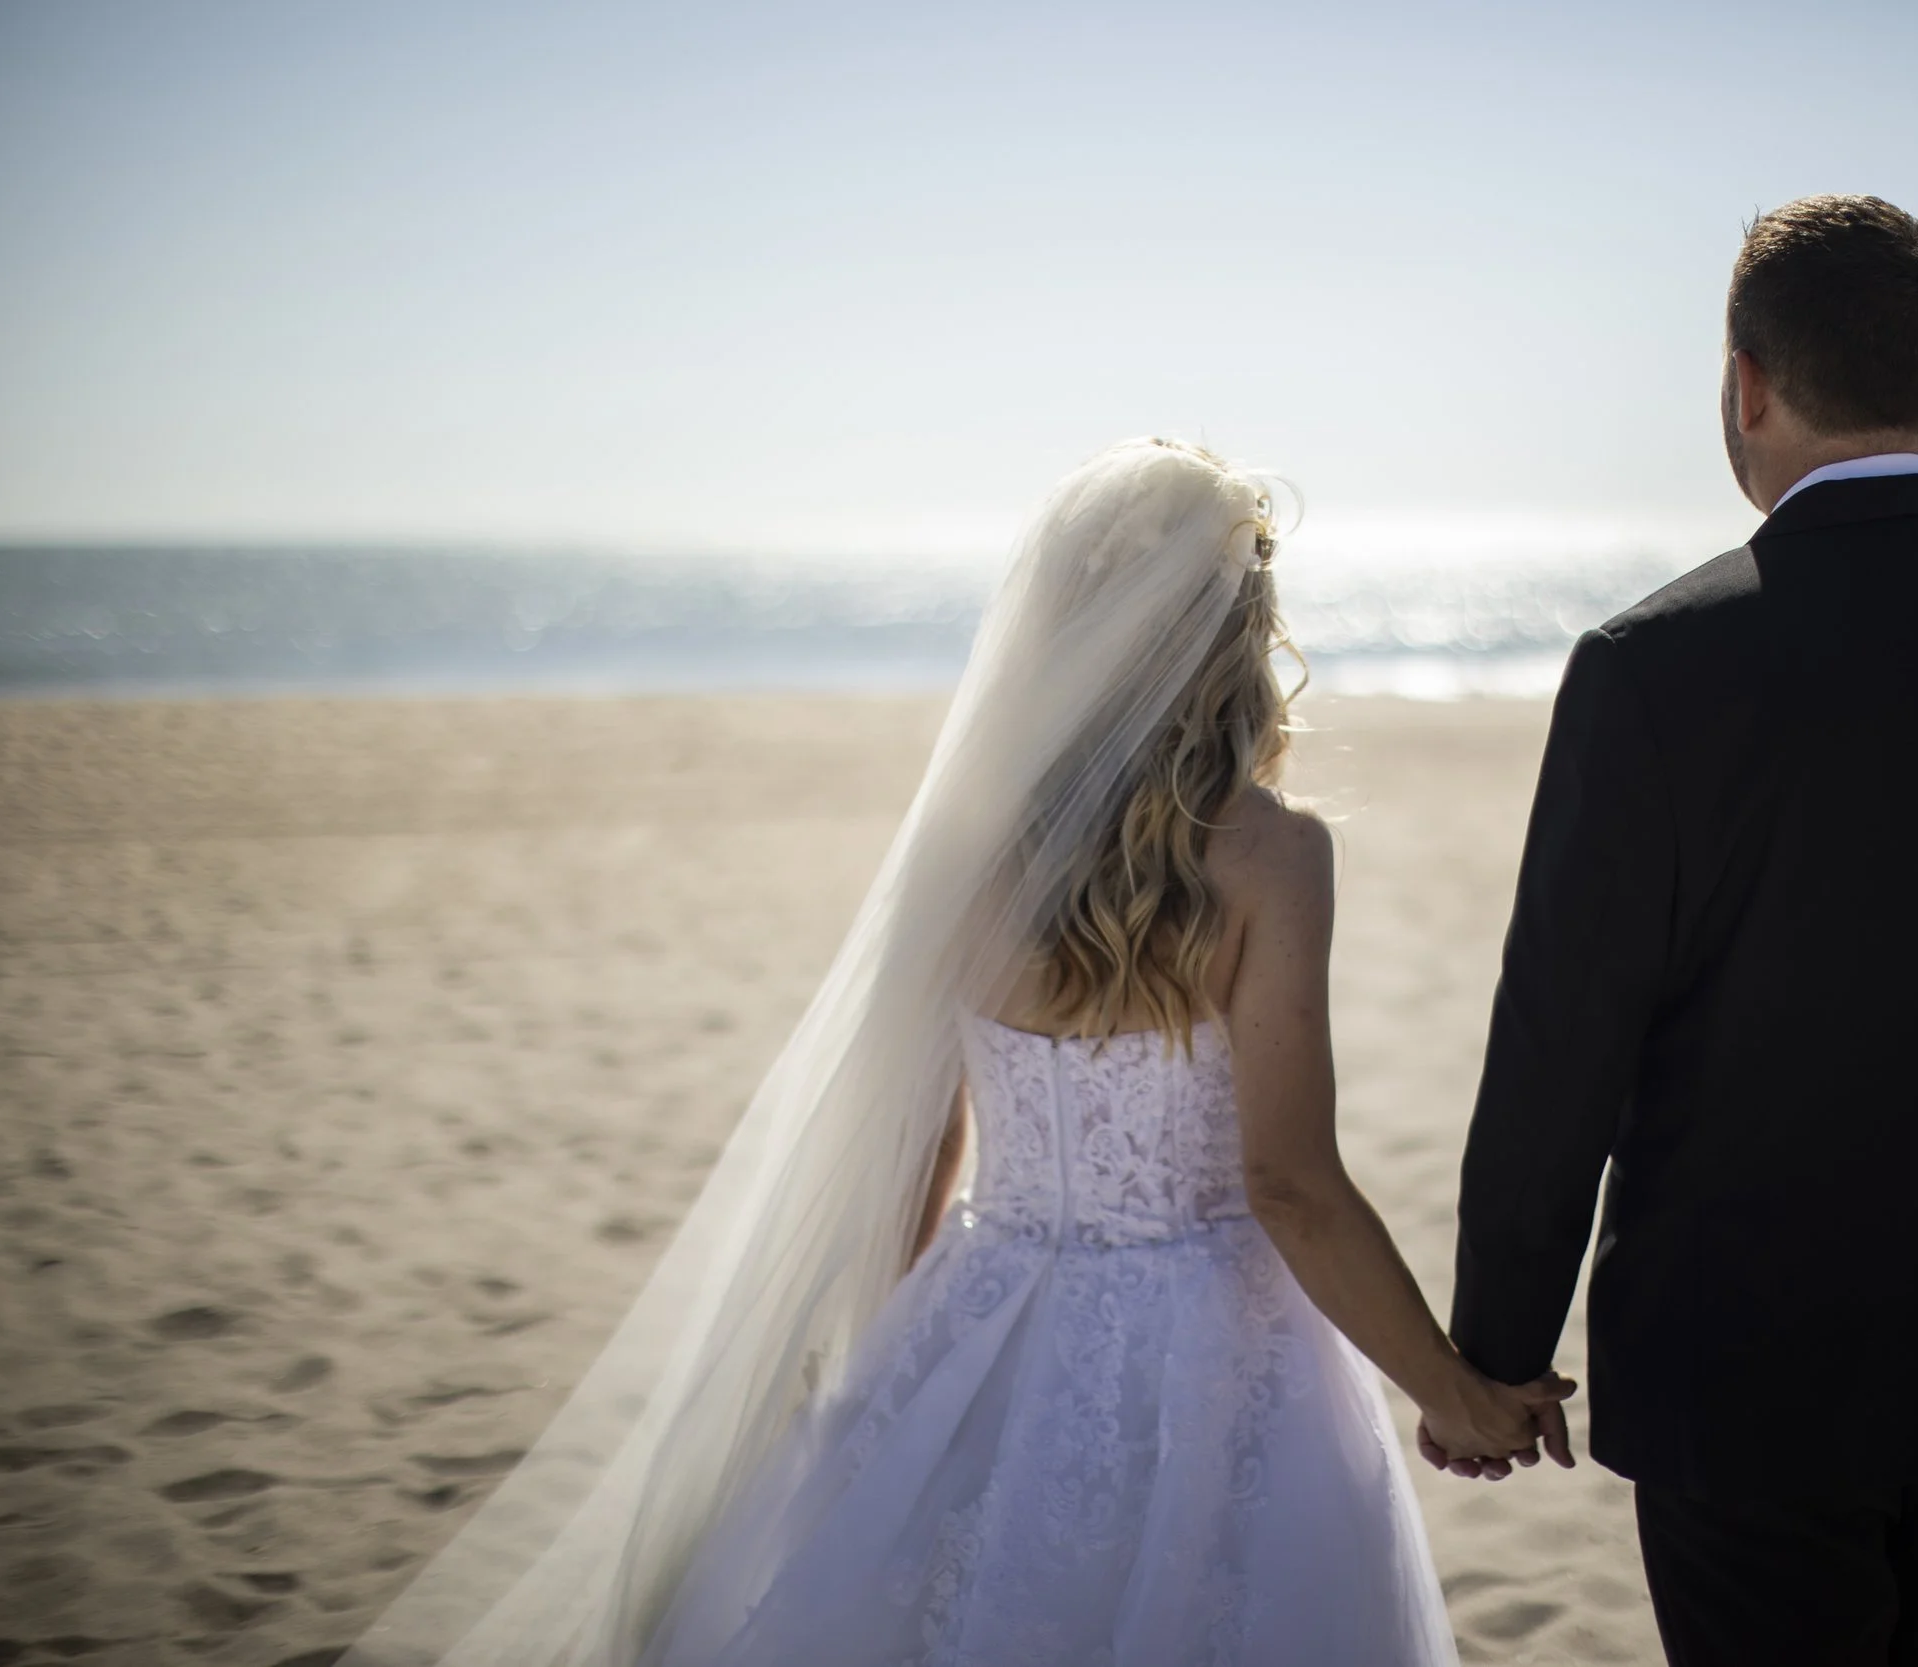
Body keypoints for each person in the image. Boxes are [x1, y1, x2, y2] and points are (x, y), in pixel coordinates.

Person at [344, 438, 1564, 1667]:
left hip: (982, 1309)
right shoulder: (1269, 854)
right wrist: (1448, 1388)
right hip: (1213, 1346)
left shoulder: (962, 850)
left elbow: (916, 1151)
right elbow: (1288, 1184)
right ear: (1235, 630)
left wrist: (904, 1379)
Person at [1439, 196, 1918, 1666]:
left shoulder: (1648, 668)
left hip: (1743, 1373)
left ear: (1746, 380)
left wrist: (1496, 1349)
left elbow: (1563, 1039)